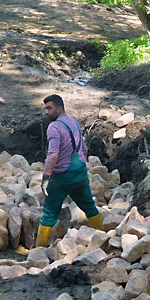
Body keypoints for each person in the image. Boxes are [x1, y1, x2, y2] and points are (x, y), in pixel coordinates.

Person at [36, 95, 103, 247]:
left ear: (59, 108)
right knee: (89, 207)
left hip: (61, 178)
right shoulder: (74, 122)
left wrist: (46, 177)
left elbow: (53, 153)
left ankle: (38, 250)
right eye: (45, 108)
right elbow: (83, 148)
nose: (46, 112)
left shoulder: (54, 127)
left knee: (49, 213)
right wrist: (82, 166)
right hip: (79, 174)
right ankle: (104, 238)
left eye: (49, 108)